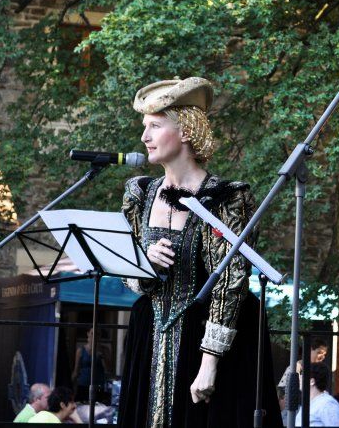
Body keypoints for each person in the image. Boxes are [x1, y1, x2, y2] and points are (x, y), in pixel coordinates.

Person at [117, 77, 281, 428]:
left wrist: (210, 362)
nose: (145, 137)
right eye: (144, 127)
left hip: (209, 337)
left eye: (156, 126)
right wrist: (142, 265)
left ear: (187, 131)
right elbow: (128, 272)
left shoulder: (226, 197)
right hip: (151, 332)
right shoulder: (139, 194)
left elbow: (230, 283)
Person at [294, 363, 339, 427]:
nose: (299, 378)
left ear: (312, 381)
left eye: (302, 375)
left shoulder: (328, 404)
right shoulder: (309, 403)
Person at [70, 328, 106, 402]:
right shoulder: (80, 350)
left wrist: (102, 356)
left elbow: (108, 369)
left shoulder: (104, 350)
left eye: (98, 334)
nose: (95, 336)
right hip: (83, 385)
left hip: (98, 386)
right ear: (88, 334)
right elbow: (76, 371)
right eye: (92, 333)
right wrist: (70, 386)